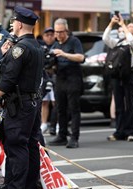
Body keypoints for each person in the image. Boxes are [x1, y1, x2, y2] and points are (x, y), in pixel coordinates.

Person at [0, 6, 43, 189]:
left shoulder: (20, 49)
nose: (12, 25)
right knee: (30, 146)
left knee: (17, 147)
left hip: (20, 105)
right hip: (32, 103)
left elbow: (7, 81)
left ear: (19, 24)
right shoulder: (35, 46)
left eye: (13, 22)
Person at [103, 14, 133, 142]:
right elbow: (105, 38)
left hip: (130, 77)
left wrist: (123, 25)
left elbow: (130, 40)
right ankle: (119, 132)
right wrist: (111, 23)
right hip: (117, 77)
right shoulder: (118, 43)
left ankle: (131, 132)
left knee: (130, 105)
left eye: (131, 26)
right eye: (127, 26)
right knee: (119, 106)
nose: (127, 27)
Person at [47, 18, 85, 149]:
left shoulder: (74, 41)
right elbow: (51, 63)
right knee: (60, 109)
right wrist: (49, 65)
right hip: (60, 79)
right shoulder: (55, 44)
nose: (57, 35)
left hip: (73, 79)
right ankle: (62, 135)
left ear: (66, 30)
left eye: (60, 32)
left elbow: (81, 57)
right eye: (56, 32)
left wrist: (63, 54)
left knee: (74, 109)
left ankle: (74, 137)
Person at [40, 27, 56, 133]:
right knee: (44, 101)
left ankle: (57, 123)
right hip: (44, 76)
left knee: (56, 102)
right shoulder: (40, 47)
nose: (49, 37)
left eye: (51, 34)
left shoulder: (57, 47)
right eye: (47, 35)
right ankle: (44, 123)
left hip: (55, 76)